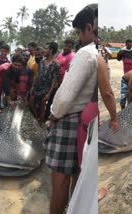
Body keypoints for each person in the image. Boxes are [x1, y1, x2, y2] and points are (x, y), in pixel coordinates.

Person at [45, 4, 98, 214]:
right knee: (78, 173)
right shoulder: (99, 52)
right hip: (87, 121)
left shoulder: (86, 53)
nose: (79, 37)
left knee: (60, 179)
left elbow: (66, 96)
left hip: (69, 119)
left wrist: (53, 115)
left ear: (88, 28)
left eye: (78, 32)